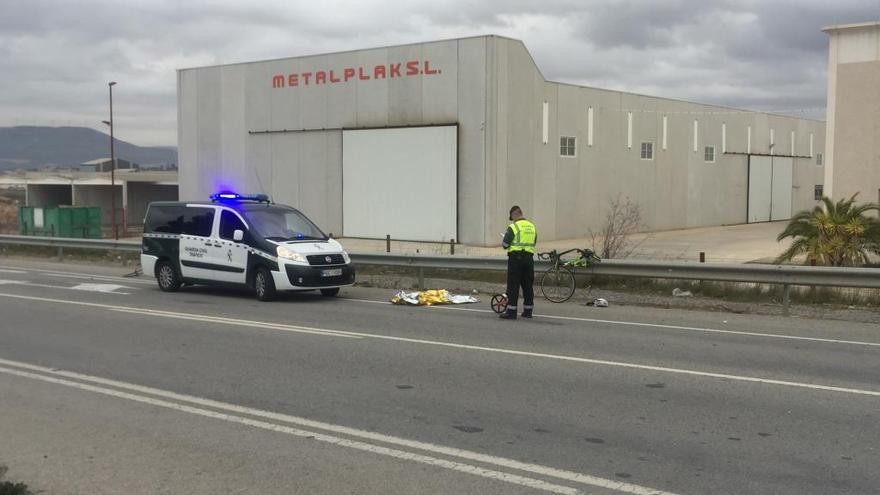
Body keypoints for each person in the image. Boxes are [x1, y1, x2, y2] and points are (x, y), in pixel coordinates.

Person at [500, 205, 537, 319]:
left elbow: (505, 245)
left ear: (514, 214)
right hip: (529, 259)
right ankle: (528, 311)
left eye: (512, 217)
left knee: (513, 285)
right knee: (527, 285)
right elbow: (534, 242)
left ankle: (511, 312)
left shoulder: (513, 227)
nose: (512, 220)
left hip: (516, 259)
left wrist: (506, 239)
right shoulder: (532, 227)